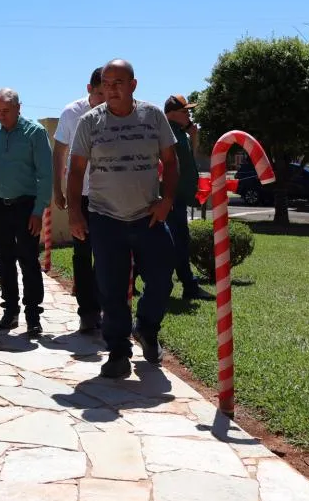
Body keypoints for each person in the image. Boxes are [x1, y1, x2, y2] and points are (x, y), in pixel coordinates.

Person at [67, 59, 179, 378]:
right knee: (111, 288)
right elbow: (75, 171)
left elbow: (171, 162)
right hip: (105, 217)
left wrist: (167, 200)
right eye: (106, 83)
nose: (111, 89)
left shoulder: (153, 116)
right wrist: (75, 212)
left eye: (119, 83)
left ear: (133, 85)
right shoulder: (90, 123)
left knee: (161, 279)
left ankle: (146, 328)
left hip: (148, 216)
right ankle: (117, 351)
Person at [0, 89, 53, 338]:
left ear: (18, 108)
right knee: (3, 259)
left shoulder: (35, 133)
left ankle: (33, 315)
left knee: (28, 260)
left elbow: (46, 175)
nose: (1, 116)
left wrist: (38, 211)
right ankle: (10, 310)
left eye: (6, 111)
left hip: (26, 206)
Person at [52, 67, 106, 333]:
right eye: (98, 93)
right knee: (83, 254)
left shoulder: (117, 111)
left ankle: (105, 306)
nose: (103, 99)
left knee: (108, 254)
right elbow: (60, 152)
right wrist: (58, 190)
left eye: (107, 93)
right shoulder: (72, 113)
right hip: (81, 195)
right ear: (89, 89)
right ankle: (88, 311)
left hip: (109, 196)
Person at [164, 94, 210, 301]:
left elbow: (192, 157)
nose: (189, 114)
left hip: (180, 196)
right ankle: (187, 285)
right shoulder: (167, 133)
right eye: (185, 111)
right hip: (171, 197)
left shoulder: (180, 132)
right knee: (177, 241)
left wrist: (194, 136)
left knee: (178, 240)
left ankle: (188, 284)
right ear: (172, 114)